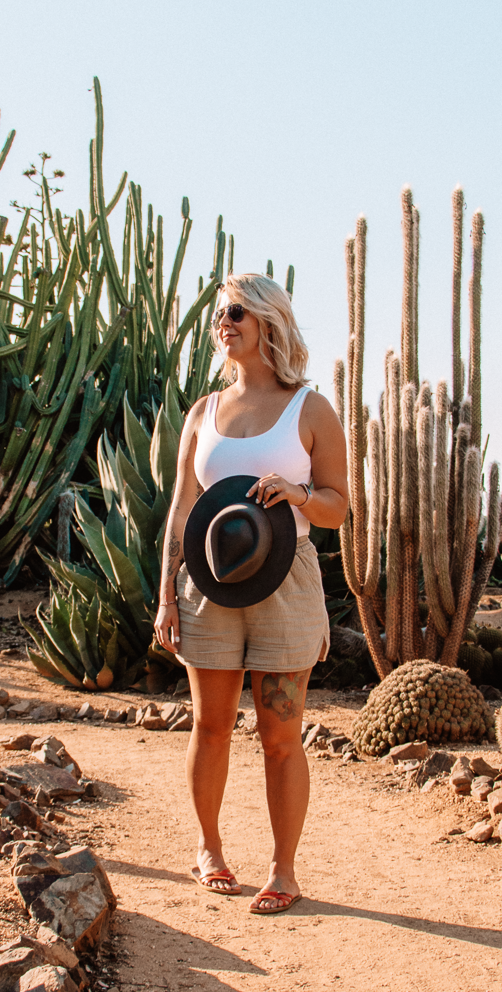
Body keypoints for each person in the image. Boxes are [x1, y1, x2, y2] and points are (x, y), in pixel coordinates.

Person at [154, 273, 347, 913]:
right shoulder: (202, 413)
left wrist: (297, 495)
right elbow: (181, 512)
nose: (224, 322)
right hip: (207, 584)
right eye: (219, 313)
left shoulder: (310, 409)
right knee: (209, 726)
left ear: (269, 320)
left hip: (286, 583)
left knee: (280, 734)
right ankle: (209, 848)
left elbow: (339, 508)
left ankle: (283, 870)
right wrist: (164, 598)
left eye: (235, 311)